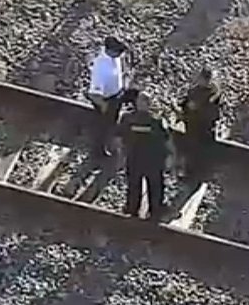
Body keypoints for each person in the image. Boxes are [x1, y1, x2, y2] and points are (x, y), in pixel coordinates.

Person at [120, 91, 169, 220]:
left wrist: (123, 151)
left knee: (134, 186)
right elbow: (166, 139)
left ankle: (132, 209)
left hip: (134, 158)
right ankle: (155, 211)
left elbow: (120, 135)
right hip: (152, 160)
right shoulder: (157, 121)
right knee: (155, 187)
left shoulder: (127, 119)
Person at [87, 36, 131, 157]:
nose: (120, 55)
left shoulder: (114, 57)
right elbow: (93, 94)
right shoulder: (101, 68)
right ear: (110, 50)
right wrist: (104, 106)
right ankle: (99, 151)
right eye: (118, 52)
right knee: (104, 127)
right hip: (107, 100)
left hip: (117, 94)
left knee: (113, 122)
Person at [177, 67, 221, 181]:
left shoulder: (214, 92)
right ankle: (189, 173)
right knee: (191, 149)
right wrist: (182, 106)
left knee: (205, 150)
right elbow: (187, 102)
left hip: (205, 125)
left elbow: (208, 107)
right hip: (192, 125)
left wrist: (195, 107)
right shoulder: (194, 90)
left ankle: (204, 174)